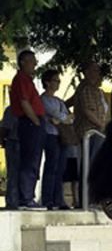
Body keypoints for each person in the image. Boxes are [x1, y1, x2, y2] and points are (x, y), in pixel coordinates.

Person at [10, 50, 46, 210]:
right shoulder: (21, 79)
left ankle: (27, 196)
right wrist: (36, 121)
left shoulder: (27, 80)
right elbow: (24, 103)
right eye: (32, 61)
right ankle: (26, 198)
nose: (35, 65)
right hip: (29, 123)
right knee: (30, 160)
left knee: (34, 160)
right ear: (23, 62)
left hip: (32, 122)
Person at [72, 61, 109, 207]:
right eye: (94, 71)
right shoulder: (86, 89)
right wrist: (102, 126)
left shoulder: (98, 91)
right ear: (86, 72)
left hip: (99, 132)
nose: (98, 74)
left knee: (97, 166)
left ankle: (94, 199)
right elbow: (88, 111)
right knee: (90, 166)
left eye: (98, 71)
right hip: (91, 132)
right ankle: (87, 200)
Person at [40, 70, 71, 210]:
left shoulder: (59, 101)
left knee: (61, 168)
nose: (58, 83)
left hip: (62, 136)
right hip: (50, 135)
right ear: (47, 82)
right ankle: (47, 199)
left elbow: (68, 117)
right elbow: (54, 115)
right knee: (51, 166)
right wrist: (60, 118)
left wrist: (60, 119)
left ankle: (59, 199)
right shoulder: (43, 99)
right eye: (55, 80)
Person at [0, 106, 20, 210]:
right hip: (15, 141)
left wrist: (2, 139)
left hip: (13, 141)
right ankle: (14, 200)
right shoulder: (13, 109)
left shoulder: (11, 109)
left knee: (13, 173)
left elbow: (4, 128)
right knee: (15, 173)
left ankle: (13, 200)